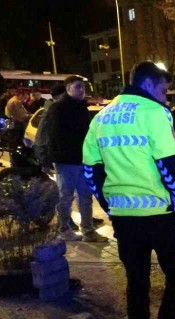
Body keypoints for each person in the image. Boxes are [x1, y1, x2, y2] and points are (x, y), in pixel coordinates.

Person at [83, 61, 175, 319]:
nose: (165, 97)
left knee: (136, 282)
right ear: (147, 85)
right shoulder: (154, 112)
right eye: (163, 90)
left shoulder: (101, 117)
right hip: (161, 216)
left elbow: (91, 171)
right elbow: (169, 166)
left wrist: (110, 207)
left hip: (125, 218)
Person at [41, 75, 107, 243]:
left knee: (85, 196)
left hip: (83, 159)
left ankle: (88, 230)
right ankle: (64, 229)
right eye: (78, 87)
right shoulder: (58, 108)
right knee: (66, 196)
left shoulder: (82, 107)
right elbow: (52, 135)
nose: (82, 90)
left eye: (83, 87)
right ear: (68, 88)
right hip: (66, 161)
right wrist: (48, 159)